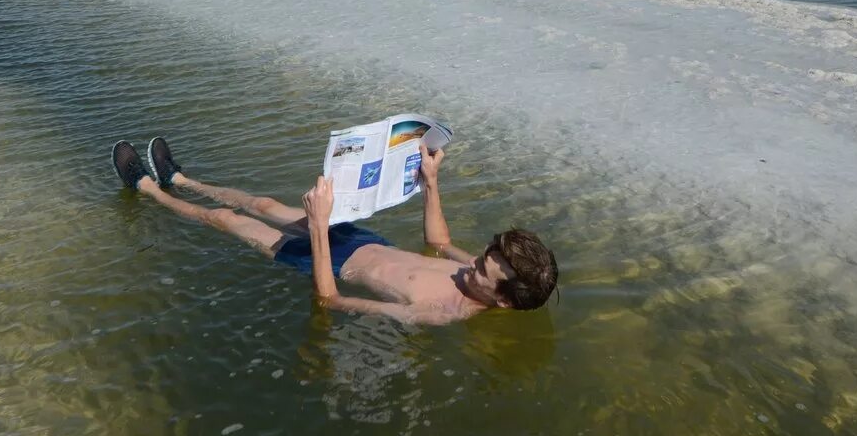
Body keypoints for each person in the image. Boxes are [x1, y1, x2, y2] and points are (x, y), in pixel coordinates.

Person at [112, 136, 558, 325]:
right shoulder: (479, 274)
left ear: (502, 300)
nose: (472, 263)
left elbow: (329, 300)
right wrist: (431, 182)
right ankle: (183, 180)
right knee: (265, 204)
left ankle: (147, 187)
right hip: (364, 241)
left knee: (228, 220)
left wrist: (321, 229)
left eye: (483, 268)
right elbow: (439, 244)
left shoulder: (439, 313)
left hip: (331, 260)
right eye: (482, 254)